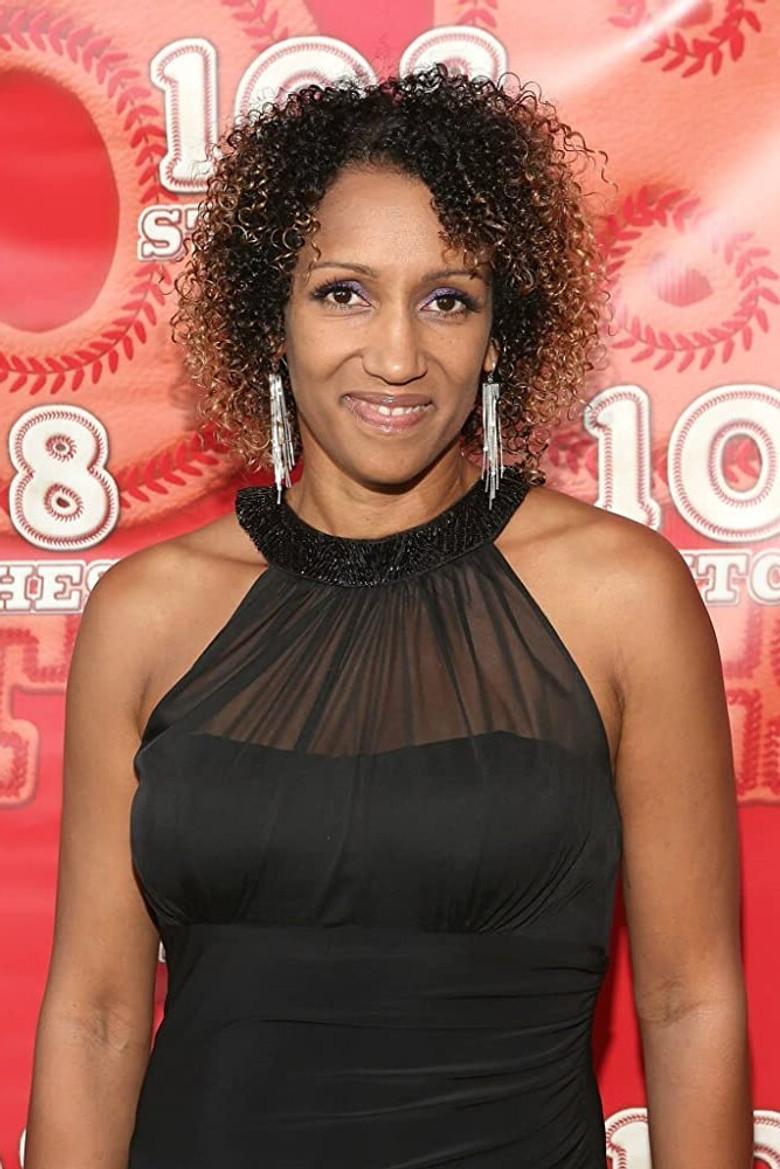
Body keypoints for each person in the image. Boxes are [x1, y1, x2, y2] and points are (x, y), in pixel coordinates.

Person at [25, 65, 751, 1168]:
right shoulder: (147, 614)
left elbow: (688, 997)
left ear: (501, 332)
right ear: (272, 317)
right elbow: (96, 1015)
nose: (400, 356)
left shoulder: (621, 596)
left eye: (448, 298)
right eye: (344, 293)